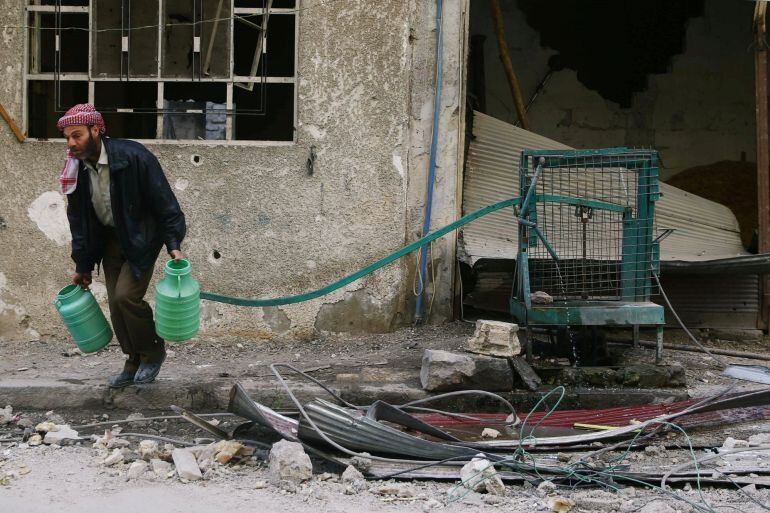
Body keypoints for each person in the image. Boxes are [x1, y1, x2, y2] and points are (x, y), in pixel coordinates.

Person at [57, 104, 186, 388]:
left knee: (126, 296)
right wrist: (82, 264)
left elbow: (164, 203)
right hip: (110, 241)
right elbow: (79, 221)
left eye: (76, 135)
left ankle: (153, 352)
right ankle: (133, 360)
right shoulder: (76, 169)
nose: (71, 143)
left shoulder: (134, 157)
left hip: (141, 237)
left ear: (95, 130)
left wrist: (173, 244)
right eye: (67, 137)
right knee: (115, 305)